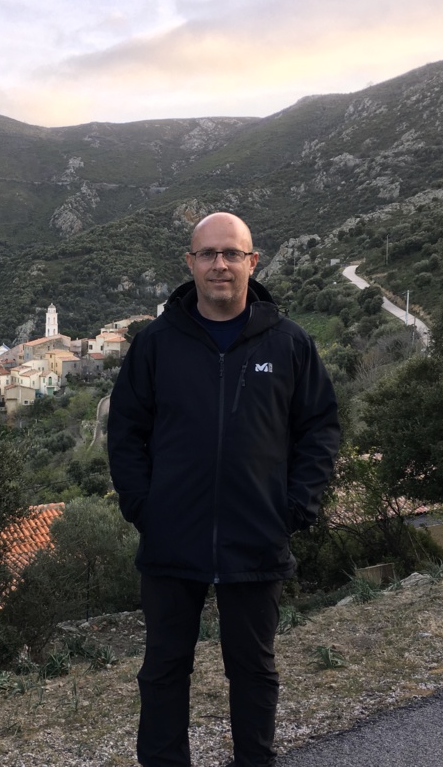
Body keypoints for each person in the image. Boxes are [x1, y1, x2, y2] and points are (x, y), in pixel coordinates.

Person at [107, 212, 340, 767]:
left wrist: (295, 507)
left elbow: (321, 427)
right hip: (171, 538)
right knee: (163, 669)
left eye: (232, 254)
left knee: (254, 669)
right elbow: (126, 431)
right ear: (189, 264)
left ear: (252, 262)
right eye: (208, 254)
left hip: (257, 534)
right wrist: (145, 506)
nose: (220, 264)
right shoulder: (157, 343)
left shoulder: (289, 343)